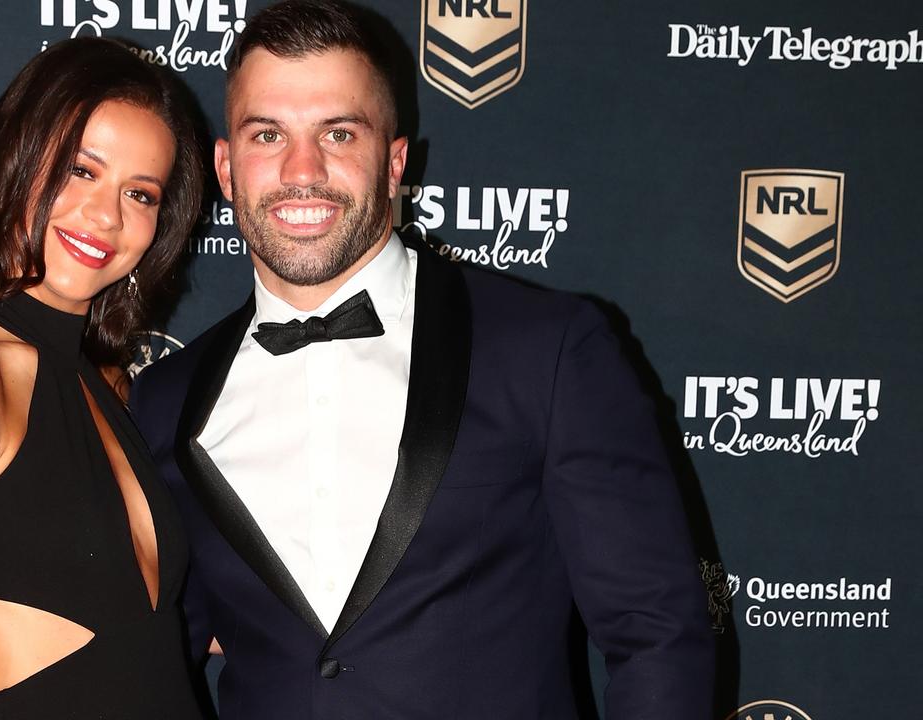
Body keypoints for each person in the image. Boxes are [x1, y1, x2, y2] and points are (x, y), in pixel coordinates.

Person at [129, 1, 715, 718]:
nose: (301, 169)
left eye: (338, 132)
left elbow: (657, 635)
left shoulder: (548, 349)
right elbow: (156, 667)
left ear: (395, 160)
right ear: (226, 166)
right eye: (267, 134)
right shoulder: (167, 400)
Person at [0, 37, 205, 719]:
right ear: (18, 161)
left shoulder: (105, 386)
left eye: (139, 194)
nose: (106, 216)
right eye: (81, 171)